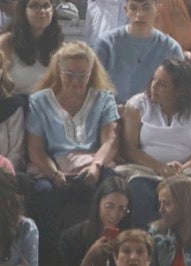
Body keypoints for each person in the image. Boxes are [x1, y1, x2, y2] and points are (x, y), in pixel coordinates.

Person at [24, 43, 120, 221]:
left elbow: (110, 141)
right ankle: (50, 248)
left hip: (92, 163)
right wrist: (54, 174)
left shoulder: (104, 98)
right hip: (52, 166)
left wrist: (96, 166)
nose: (75, 82)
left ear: (91, 72)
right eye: (69, 75)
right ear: (59, 70)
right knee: (43, 192)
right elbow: (35, 149)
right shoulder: (39, 101)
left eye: (82, 75)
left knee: (112, 188)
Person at [119, 58, 191, 227]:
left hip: (188, 171)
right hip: (146, 170)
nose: (153, 87)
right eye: (154, 80)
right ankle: (146, 245)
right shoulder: (138, 104)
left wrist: (181, 170)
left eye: (162, 84)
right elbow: (130, 149)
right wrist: (160, 167)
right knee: (138, 189)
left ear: (179, 90)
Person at [58, 176, 129, 266]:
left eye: (121, 209)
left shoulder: (131, 240)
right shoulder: (71, 238)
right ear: (98, 203)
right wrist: (89, 257)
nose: (114, 215)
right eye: (109, 206)